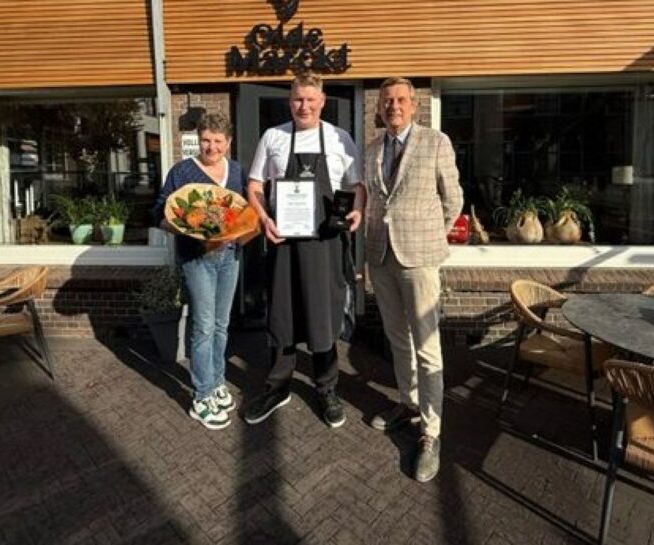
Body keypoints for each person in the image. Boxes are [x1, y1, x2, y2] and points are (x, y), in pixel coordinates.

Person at [243, 73, 365, 428]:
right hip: (284, 242)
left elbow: (357, 186)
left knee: (323, 314)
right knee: (283, 314)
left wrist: (358, 210)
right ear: (289, 100)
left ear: (322, 101)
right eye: (298, 99)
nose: (304, 106)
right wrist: (263, 218)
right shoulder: (274, 136)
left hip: (326, 244)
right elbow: (255, 184)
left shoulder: (340, 139)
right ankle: (277, 386)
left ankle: (327, 387)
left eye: (311, 99)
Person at [364, 77, 463, 482]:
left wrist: (429, 238)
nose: (394, 106)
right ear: (379, 107)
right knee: (397, 339)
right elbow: (374, 202)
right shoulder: (372, 149)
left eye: (401, 99)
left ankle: (431, 431)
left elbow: (453, 199)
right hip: (381, 257)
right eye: (387, 100)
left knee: (427, 346)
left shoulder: (435, 142)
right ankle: (408, 404)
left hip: (419, 258)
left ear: (414, 106)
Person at [154, 112, 246, 430]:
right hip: (197, 259)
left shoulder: (236, 171)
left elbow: (243, 213)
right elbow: (159, 213)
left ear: (228, 142)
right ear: (198, 139)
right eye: (206, 140)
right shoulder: (182, 172)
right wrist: (187, 230)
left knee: (221, 324)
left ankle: (217, 381)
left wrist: (242, 230)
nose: (211, 147)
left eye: (218, 141)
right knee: (204, 326)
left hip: (230, 256)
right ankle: (201, 396)